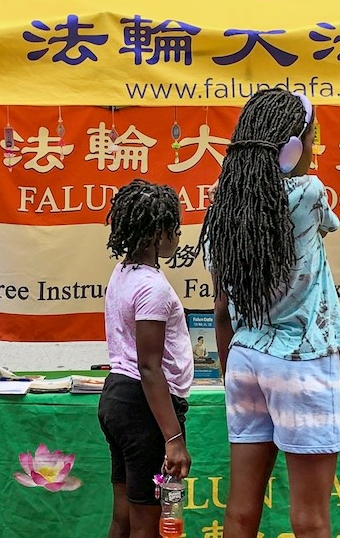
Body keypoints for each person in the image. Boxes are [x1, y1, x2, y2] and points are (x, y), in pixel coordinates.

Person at [198, 88, 340, 537]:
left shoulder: (225, 204)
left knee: (241, 512)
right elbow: (331, 222)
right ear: (292, 149)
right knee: (310, 518)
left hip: (245, 358)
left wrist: (230, 369)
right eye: (311, 138)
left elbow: (221, 305)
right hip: (301, 361)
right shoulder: (309, 192)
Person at [97, 179, 194, 538]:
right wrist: (173, 438)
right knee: (149, 526)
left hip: (119, 400)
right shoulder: (152, 288)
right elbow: (149, 366)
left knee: (124, 517)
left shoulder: (122, 273)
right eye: (175, 228)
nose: (179, 237)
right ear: (157, 233)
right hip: (145, 409)